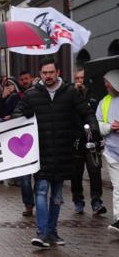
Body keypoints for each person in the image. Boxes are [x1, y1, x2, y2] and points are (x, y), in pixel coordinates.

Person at [13, 57, 99, 248]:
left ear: (58, 72)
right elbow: (17, 113)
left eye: (51, 72)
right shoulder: (32, 94)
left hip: (63, 151)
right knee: (41, 191)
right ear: (40, 74)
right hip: (41, 152)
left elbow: (87, 113)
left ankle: (52, 232)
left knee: (57, 195)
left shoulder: (70, 92)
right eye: (44, 73)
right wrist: (24, 117)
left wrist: (93, 129)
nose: (48, 76)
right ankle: (42, 233)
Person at [0, 76, 34, 215]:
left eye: (11, 85)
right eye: (7, 86)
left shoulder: (30, 96)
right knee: (25, 177)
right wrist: (2, 97)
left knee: (39, 177)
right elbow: (0, 113)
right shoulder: (11, 99)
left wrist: (13, 117)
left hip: (33, 138)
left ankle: (39, 198)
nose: (9, 88)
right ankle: (28, 204)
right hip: (20, 142)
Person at [70, 67, 106, 215]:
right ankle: (78, 200)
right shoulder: (70, 95)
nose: (80, 81)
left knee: (95, 171)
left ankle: (96, 201)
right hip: (76, 140)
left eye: (82, 78)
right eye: (77, 78)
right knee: (76, 173)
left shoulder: (93, 95)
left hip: (92, 140)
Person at [96, 69, 119, 234]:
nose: (105, 85)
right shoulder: (104, 102)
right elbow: (97, 123)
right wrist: (109, 127)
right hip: (112, 152)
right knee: (118, 187)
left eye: (107, 82)